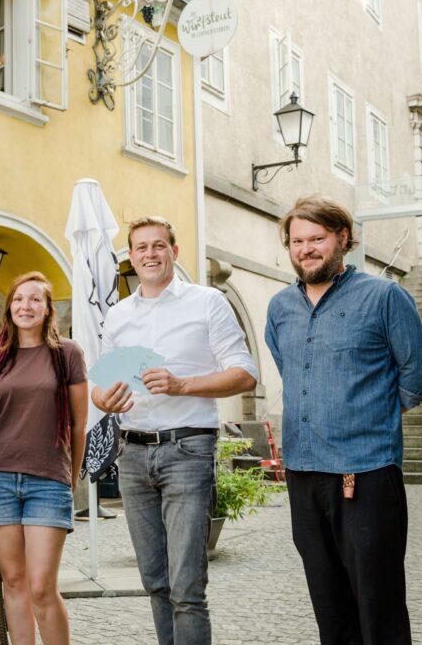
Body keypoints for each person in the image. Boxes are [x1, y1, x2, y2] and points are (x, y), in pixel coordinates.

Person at [265, 196, 422, 645]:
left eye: (317, 238)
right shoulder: (280, 307)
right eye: (297, 241)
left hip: (366, 472)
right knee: (328, 604)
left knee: (377, 604)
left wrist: (370, 414)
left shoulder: (384, 297)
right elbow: (289, 367)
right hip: (303, 473)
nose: (306, 249)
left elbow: (419, 375)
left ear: (343, 238)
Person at [92, 216, 257, 645]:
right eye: (140, 247)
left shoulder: (206, 302)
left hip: (187, 449)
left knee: (186, 587)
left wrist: (184, 384)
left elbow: (245, 374)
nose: (150, 253)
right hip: (131, 454)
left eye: (158, 245)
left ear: (174, 252)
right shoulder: (119, 315)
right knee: (154, 580)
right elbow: (100, 386)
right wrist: (103, 400)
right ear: (130, 257)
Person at [0, 271, 87, 645]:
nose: (26, 306)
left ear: (48, 309)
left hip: (47, 481)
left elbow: (80, 425)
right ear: (9, 309)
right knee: (13, 583)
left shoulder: (67, 353)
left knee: (41, 586)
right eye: (19, 299)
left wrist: (72, 475)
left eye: (35, 299)